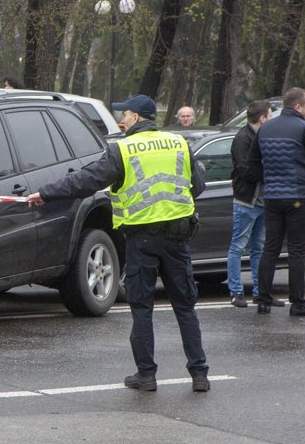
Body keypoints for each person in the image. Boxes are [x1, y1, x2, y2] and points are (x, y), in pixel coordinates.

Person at [26, 93, 210, 392]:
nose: (122, 120)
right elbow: (197, 187)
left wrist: (46, 193)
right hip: (177, 238)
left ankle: (146, 375)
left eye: (124, 115)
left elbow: (86, 181)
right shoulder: (179, 144)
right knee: (185, 307)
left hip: (142, 240)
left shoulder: (122, 150)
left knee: (142, 307)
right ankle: (200, 374)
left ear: (136, 117)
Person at [247, 87, 305, 316]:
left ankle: (263, 299)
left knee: (270, 248)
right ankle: (298, 303)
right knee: (296, 251)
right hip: (298, 197)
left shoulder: (266, 128)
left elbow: (252, 162)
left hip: (272, 198)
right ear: (298, 106)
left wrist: (268, 181)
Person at [226, 100, 284, 309]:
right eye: (269, 115)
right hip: (246, 200)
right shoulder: (242, 138)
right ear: (262, 118)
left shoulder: (264, 135)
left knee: (258, 248)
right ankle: (236, 291)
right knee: (238, 245)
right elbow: (244, 169)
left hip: (262, 200)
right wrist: (271, 174)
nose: (271, 119)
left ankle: (261, 292)